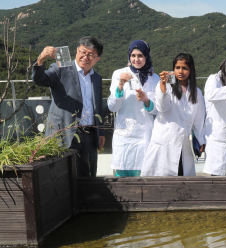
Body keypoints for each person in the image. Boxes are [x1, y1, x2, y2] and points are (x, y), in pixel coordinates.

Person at [32, 36, 106, 177]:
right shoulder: (61, 68)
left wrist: (100, 132)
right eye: (82, 52)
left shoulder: (97, 78)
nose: (86, 57)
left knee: (88, 176)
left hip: (89, 135)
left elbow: (97, 107)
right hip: (64, 133)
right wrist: (41, 59)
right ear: (76, 51)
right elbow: (40, 79)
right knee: (62, 177)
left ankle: (87, 200)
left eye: (91, 55)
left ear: (97, 58)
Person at [141, 53, 206, 176]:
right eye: (177, 68)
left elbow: (199, 119)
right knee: (160, 181)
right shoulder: (167, 86)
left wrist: (201, 140)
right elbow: (162, 108)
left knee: (182, 182)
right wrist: (163, 87)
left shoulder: (196, 92)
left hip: (183, 144)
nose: (180, 71)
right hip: (164, 142)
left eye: (184, 68)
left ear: (191, 70)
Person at [107, 40, 159, 177]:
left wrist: (146, 100)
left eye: (140, 55)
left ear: (146, 57)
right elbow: (112, 106)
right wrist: (120, 85)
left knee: (144, 179)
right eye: (133, 55)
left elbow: (158, 110)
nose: (136, 59)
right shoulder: (119, 74)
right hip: (124, 136)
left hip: (145, 136)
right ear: (129, 56)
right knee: (123, 179)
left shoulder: (154, 78)